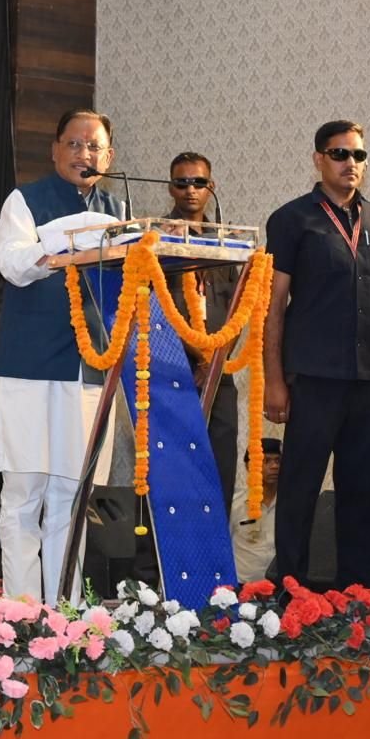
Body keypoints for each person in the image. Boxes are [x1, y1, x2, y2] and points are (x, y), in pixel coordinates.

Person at [0, 108, 121, 604]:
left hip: (87, 372)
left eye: (94, 146)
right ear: (55, 150)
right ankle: (21, 614)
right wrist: (68, 241)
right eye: (75, 144)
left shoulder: (117, 211)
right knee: (24, 495)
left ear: (109, 157)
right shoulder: (25, 200)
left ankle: (65, 610)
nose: (84, 154)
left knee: (71, 497)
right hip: (28, 369)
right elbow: (12, 264)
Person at [264, 119, 370, 591]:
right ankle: (291, 593)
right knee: (300, 488)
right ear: (318, 159)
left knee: (360, 492)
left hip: (366, 380)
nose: (351, 163)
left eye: (359, 155)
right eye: (340, 154)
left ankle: (357, 596)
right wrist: (274, 380)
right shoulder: (291, 219)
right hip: (313, 378)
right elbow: (273, 306)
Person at [163, 152, 241, 516]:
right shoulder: (156, 239)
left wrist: (214, 362)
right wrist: (196, 359)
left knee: (220, 466)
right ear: (171, 188)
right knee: (172, 470)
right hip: (171, 372)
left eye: (198, 182)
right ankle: (165, 552)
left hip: (219, 375)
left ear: (211, 187)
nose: (190, 190)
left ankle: (216, 549)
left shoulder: (226, 243)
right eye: (182, 183)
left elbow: (238, 311)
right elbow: (156, 309)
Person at [231, 437, 282, 584]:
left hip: (279, 588)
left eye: (278, 461)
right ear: (249, 466)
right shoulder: (235, 504)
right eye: (266, 461)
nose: (274, 466)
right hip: (242, 586)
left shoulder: (289, 506)